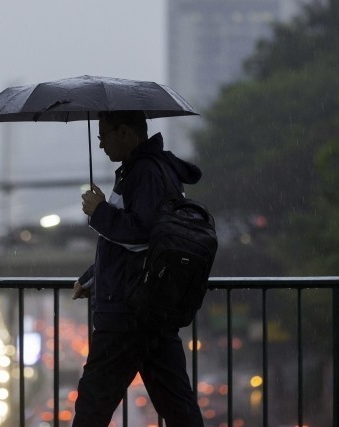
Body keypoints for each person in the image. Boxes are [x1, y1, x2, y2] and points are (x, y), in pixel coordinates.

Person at [71, 110, 204, 427]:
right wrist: (93, 277)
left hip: (127, 311)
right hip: (151, 306)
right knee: (178, 407)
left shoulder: (143, 173)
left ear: (125, 133)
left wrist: (98, 211)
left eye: (103, 135)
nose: (101, 144)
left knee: (93, 406)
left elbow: (142, 235)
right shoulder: (158, 169)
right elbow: (140, 243)